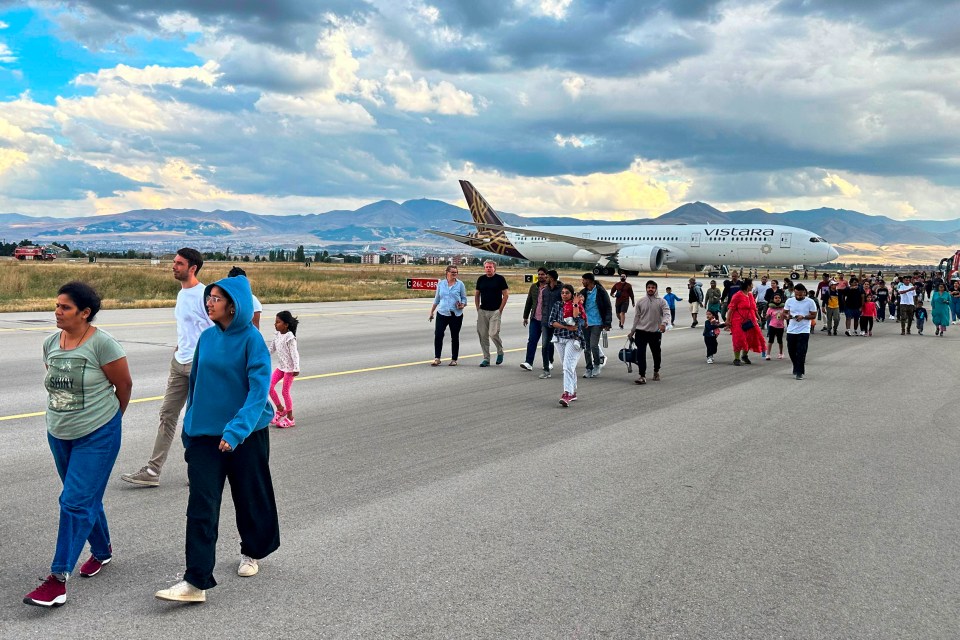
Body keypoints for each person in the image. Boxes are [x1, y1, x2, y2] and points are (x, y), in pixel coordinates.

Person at [155, 275, 279, 604]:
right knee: (201, 507)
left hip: (245, 436)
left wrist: (236, 430)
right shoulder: (207, 339)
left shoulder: (252, 341)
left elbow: (257, 393)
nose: (209, 302)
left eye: (217, 298)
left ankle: (252, 552)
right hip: (205, 437)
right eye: (208, 297)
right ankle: (195, 582)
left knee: (249, 498)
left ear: (234, 305)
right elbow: (196, 387)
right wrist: (189, 428)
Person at [24, 282, 132, 608]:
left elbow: (123, 386)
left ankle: (57, 580)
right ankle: (102, 551)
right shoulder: (50, 343)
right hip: (58, 432)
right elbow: (57, 385)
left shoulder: (103, 345)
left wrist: (110, 422)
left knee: (73, 501)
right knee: (85, 497)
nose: (57, 312)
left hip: (97, 434)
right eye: (56, 305)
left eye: (65, 307)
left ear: (84, 313)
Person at [121, 248, 213, 488]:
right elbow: (189, 328)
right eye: (174, 262)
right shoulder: (182, 294)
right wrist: (179, 347)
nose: (174, 266)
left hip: (200, 365)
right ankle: (153, 471)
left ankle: (201, 469)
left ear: (192, 268)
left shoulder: (205, 295)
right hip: (179, 363)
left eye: (179, 263)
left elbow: (218, 330)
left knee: (197, 419)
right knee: (167, 415)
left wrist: (208, 357)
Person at [548, 284, 585, 407]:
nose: (564, 295)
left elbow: (576, 317)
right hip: (560, 337)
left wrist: (575, 303)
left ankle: (567, 393)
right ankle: (573, 391)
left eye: (567, 293)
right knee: (567, 365)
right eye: (562, 292)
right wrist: (565, 326)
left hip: (574, 339)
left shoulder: (577, 305)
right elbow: (551, 321)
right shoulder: (557, 305)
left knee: (567, 366)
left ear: (572, 294)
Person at [627, 280, 670, 385]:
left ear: (656, 289)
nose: (650, 289)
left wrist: (663, 324)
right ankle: (642, 375)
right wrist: (632, 331)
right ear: (646, 289)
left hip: (655, 332)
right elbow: (637, 317)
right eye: (649, 287)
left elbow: (667, 313)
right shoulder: (641, 301)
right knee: (641, 353)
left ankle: (656, 371)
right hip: (641, 332)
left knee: (656, 353)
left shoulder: (661, 301)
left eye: (653, 287)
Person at [430, 265, 467, 366]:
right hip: (442, 313)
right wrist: (432, 312)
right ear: (447, 273)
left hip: (455, 314)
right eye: (452, 272)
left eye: (456, 272)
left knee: (454, 336)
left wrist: (462, 304)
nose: (454, 274)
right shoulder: (441, 284)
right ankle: (437, 358)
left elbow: (464, 298)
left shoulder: (460, 284)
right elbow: (437, 299)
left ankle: (454, 359)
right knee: (438, 335)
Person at [267, 311, 300, 427]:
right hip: (281, 367)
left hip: (290, 369)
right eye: (275, 322)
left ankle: (291, 419)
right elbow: (271, 349)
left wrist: (296, 367)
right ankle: (281, 409)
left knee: (285, 392)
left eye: (278, 322)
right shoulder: (277, 335)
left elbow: (294, 354)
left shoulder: (290, 337)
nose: (275, 324)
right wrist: (261, 355)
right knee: (269, 386)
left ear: (286, 324)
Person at [474, 260, 509, 367]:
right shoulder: (481, 279)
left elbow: (506, 295)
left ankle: (500, 351)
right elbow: (477, 294)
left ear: (494, 268)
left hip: (495, 311)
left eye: (490, 267)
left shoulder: (500, 279)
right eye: (486, 267)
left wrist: (500, 310)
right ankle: (486, 358)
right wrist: (478, 308)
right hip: (483, 311)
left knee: (493, 333)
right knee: (482, 335)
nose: (488, 269)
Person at [579, 273, 613, 379]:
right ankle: (589, 368)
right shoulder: (583, 292)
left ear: (589, 280)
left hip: (597, 322)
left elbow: (608, 307)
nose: (582, 282)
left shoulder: (601, 292)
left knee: (593, 345)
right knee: (586, 347)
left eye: (584, 280)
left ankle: (597, 364)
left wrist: (607, 323)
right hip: (585, 323)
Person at [727, 277, 766, 365]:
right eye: (751, 285)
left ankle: (744, 355)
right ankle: (736, 358)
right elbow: (731, 309)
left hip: (750, 320)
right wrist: (727, 320)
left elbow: (754, 308)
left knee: (750, 338)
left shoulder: (750, 295)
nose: (752, 287)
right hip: (738, 321)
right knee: (739, 339)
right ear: (747, 286)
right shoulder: (737, 295)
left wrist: (758, 318)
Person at [783, 283, 817, 380]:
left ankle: (799, 372)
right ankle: (796, 365)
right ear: (794, 292)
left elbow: (813, 315)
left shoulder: (810, 302)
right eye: (797, 294)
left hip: (804, 329)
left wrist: (804, 317)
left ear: (804, 293)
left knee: (801, 351)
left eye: (801, 294)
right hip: (791, 329)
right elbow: (784, 313)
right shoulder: (789, 301)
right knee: (791, 350)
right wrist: (787, 316)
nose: (798, 296)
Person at [521, 267, 549, 371]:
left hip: (546, 320)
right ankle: (528, 362)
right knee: (532, 340)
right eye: (539, 274)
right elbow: (529, 302)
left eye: (542, 274)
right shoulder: (534, 287)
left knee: (547, 342)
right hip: (535, 318)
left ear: (547, 275)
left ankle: (549, 361)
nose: (540, 276)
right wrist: (525, 316)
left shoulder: (550, 287)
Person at [538, 270, 564, 379]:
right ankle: (546, 369)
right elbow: (543, 306)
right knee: (545, 346)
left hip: (559, 323)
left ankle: (567, 367)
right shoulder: (545, 291)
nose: (545, 278)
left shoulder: (562, 290)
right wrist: (543, 319)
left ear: (552, 278)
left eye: (547, 277)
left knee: (563, 346)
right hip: (546, 323)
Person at [765, 292, 786, 360]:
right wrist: (767, 316)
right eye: (776, 298)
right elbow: (767, 317)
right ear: (773, 299)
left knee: (780, 340)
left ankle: (781, 353)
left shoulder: (784, 308)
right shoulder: (770, 308)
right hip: (772, 326)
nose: (777, 299)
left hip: (780, 326)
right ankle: (768, 354)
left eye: (779, 298)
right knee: (770, 340)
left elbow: (787, 316)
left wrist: (786, 316)